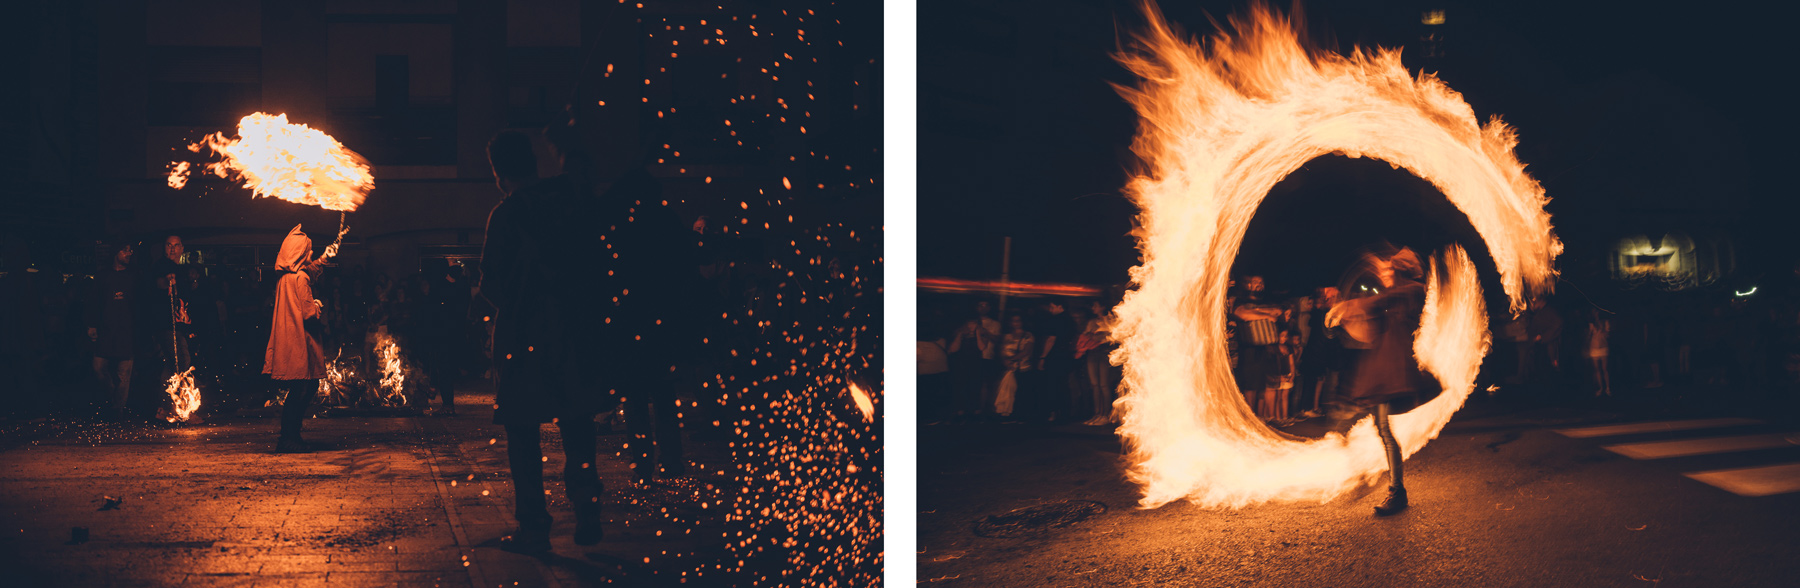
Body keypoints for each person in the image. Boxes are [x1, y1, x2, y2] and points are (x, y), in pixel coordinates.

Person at [480, 130, 609, 553]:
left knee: (522, 433)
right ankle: (588, 507)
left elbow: (492, 286)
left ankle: (535, 526)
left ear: (499, 173)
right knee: (576, 425)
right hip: (573, 335)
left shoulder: (506, 215)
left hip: (523, 339)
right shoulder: (572, 204)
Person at [1326, 246, 1427, 516]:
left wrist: (1349, 305)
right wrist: (1347, 316)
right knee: (1370, 427)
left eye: (1387, 269)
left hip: (1392, 372)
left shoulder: (1412, 291)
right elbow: (1368, 324)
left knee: (1382, 429)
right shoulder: (1391, 295)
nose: (1382, 274)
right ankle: (1372, 480)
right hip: (1378, 371)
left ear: (1400, 270)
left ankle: (1396, 490)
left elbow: (1380, 303)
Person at [264, 225, 329, 452]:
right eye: (308, 251)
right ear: (299, 253)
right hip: (301, 341)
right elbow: (309, 313)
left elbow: (307, 273)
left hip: (291, 340)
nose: (310, 255)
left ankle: (291, 436)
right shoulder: (300, 278)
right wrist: (318, 305)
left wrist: (322, 259)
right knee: (304, 388)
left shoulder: (285, 277)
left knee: (304, 387)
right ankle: (288, 438)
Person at [88, 242, 138, 420]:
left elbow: (139, 304)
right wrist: (92, 325)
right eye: (125, 249)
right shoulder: (103, 276)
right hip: (106, 329)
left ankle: (117, 410)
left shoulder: (133, 276)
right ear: (115, 252)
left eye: (130, 250)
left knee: (124, 373)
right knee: (98, 367)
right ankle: (112, 398)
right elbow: (94, 301)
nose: (128, 253)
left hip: (126, 330)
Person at [1233, 276, 1286, 422]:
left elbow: (1277, 311)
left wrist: (1259, 311)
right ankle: (1250, 418)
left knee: (1267, 385)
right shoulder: (1241, 301)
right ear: (1247, 284)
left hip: (1268, 349)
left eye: (1261, 282)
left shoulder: (1267, 301)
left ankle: (1266, 417)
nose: (1259, 285)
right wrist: (1267, 315)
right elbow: (1242, 314)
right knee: (1251, 386)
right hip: (1250, 350)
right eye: (1255, 282)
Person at [996, 314, 1035, 421]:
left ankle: (1020, 415)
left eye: (1018, 320)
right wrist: (1005, 361)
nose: (1016, 323)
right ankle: (1007, 414)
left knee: (1021, 392)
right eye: (1013, 321)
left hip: (1023, 368)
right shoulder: (1007, 336)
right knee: (1008, 391)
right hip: (1009, 368)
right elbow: (1002, 350)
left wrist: (1012, 359)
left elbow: (1027, 351)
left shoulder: (1028, 335)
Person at [1587, 308, 1612, 397]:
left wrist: (1601, 327)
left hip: (1603, 348)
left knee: (1605, 369)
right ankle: (1601, 388)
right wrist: (1590, 332)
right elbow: (1588, 337)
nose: (1595, 313)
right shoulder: (1591, 324)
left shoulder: (1605, 322)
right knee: (1597, 370)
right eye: (1594, 312)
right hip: (1594, 349)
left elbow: (1608, 335)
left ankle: (1608, 388)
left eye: (1596, 312)